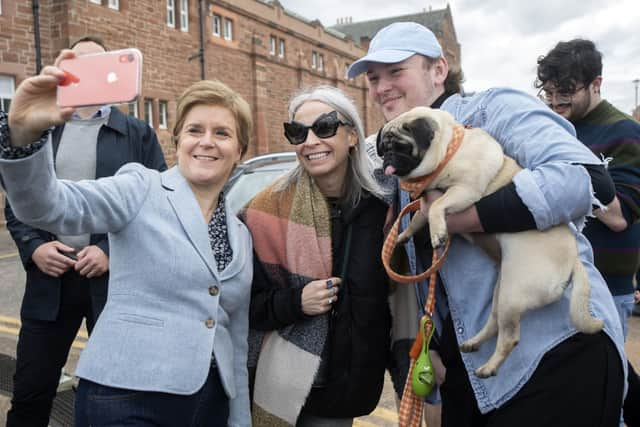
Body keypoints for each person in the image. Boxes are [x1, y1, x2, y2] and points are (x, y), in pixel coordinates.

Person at [347, 22, 627, 426]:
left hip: (553, 353)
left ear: (439, 70)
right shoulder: (404, 158)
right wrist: (437, 348)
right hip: (474, 373)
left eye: (396, 72)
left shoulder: (492, 109)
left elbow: (584, 179)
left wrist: (460, 217)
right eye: (374, 78)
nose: (381, 87)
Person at [0, 49, 253, 426]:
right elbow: (49, 205)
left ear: (239, 151)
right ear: (178, 140)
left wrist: (239, 415)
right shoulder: (140, 187)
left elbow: (234, 334)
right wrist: (23, 134)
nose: (206, 142)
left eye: (222, 133)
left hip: (209, 401)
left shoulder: (240, 234)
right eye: (195, 130)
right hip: (128, 397)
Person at [3, 36, 167, 427]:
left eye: (99, 65)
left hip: (112, 284)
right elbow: (18, 198)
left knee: (116, 392)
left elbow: (155, 202)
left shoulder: (137, 133)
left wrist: (110, 249)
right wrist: (34, 248)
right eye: (80, 66)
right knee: (31, 391)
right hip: (50, 281)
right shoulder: (47, 126)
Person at [242, 85, 391, 426]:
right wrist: (295, 302)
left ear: (352, 135)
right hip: (281, 383)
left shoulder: (381, 207)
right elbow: (239, 304)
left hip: (350, 386)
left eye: (324, 127)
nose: (310, 141)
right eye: (297, 132)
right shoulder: (265, 211)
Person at [536, 38, 640, 427]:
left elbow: (619, 216)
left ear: (596, 83)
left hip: (606, 287)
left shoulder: (624, 131)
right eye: (548, 91)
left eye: (566, 91)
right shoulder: (550, 127)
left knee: (608, 397)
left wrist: (565, 176)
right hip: (557, 283)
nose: (555, 100)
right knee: (573, 396)